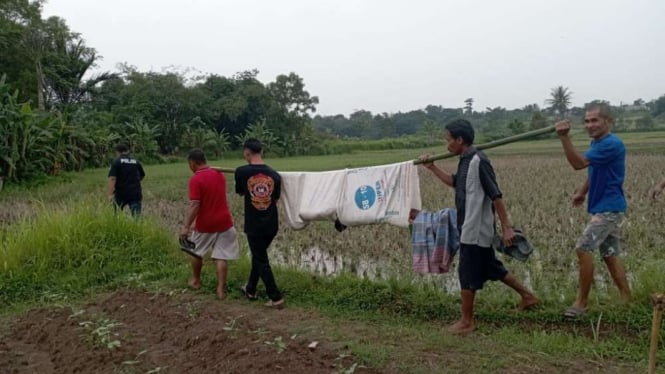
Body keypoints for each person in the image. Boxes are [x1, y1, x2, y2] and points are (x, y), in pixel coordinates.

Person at [420, 119, 539, 335]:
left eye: (448, 140)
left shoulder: (479, 161)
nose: (447, 145)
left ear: (460, 140)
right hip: (468, 226)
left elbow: (496, 196)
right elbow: (455, 182)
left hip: (475, 230)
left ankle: (467, 321)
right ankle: (528, 296)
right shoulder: (464, 160)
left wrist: (507, 228)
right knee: (491, 267)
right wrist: (432, 168)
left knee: (466, 272)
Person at [555, 103, 631, 317]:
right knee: (609, 254)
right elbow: (593, 171)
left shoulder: (611, 144)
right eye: (587, 121)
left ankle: (581, 303)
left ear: (608, 121)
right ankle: (627, 299)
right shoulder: (598, 144)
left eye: (595, 120)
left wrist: (564, 138)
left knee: (583, 247)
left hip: (609, 208)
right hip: (605, 206)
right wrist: (582, 193)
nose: (590, 125)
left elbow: (579, 164)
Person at [180, 149, 240, 300]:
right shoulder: (219, 174)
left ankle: (196, 281)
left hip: (206, 223)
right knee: (221, 256)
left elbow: (195, 204)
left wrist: (186, 226)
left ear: (193, 163)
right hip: (225, 221)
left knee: (196, 252)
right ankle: (220, 290)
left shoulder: (195, 179)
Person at [234, 139, 285, 309]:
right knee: (259, 257)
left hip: (255, 225)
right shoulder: (275, 175)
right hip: (271, 225)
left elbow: (241, 192)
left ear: (247, 152)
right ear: (261, 152)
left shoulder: (241, 172)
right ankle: (250, 289)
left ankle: (276, 297)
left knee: (261, 260)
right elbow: (275, 199)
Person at [107, 142, 145, 216]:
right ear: (127, 151)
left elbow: (112, 178)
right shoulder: (136, 161)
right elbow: (142, 175)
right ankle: (137, 227)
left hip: (121, 193)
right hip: (135, 193)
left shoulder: (116, 162)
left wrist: (110, 194)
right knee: (137, 218)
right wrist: (133, 182)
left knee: (116, 216)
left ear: (117, 152)